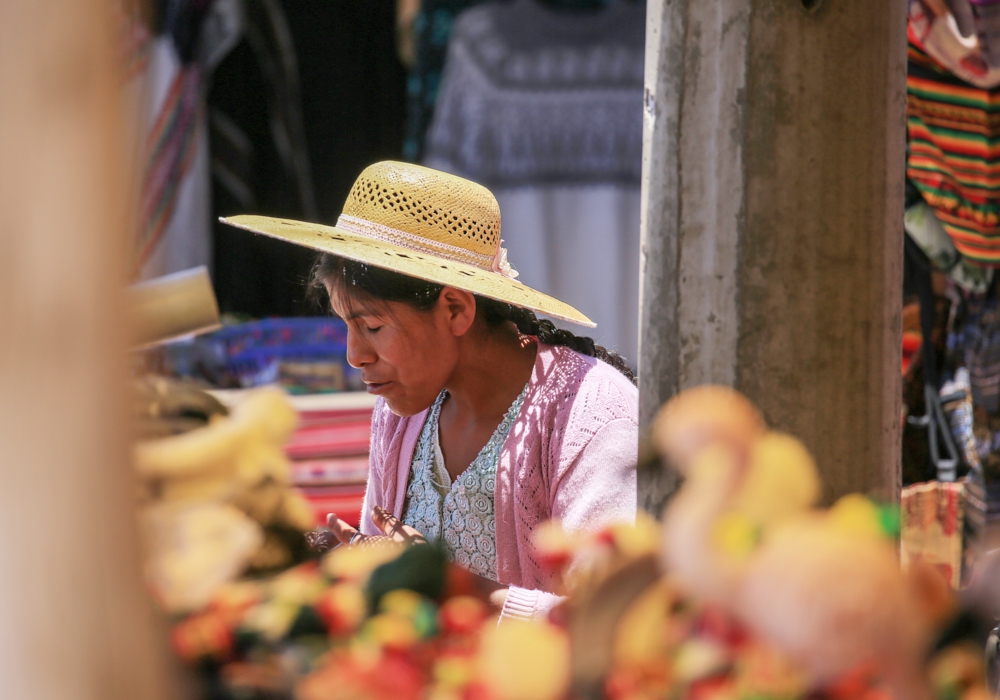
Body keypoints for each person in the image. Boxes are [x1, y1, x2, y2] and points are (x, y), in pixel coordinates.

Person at [222, 161, 638, 621]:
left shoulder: (593, 416)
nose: (354, 355)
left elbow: (618, 613)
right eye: (347, 326)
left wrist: (459, 591)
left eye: (373, 326)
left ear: (456, 309)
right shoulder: (403, 407)